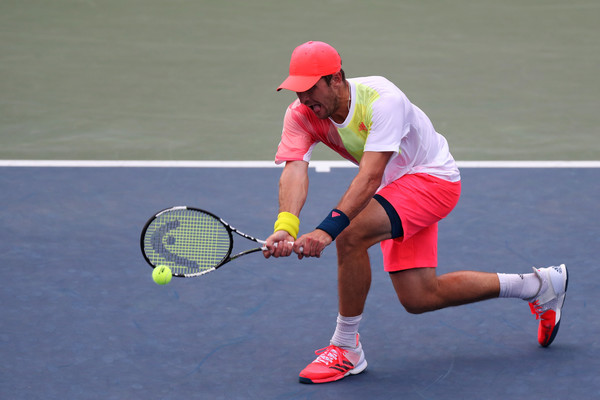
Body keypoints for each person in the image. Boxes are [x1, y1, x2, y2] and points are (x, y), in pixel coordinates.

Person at [262, 41, 568, 384]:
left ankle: (346, 348)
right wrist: (286, 226)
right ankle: (540, 285)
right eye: (297, 90)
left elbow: (370, 175)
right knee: (420, 297)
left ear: (335, 78)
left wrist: (325, 230)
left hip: (433, 180)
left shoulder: (382, 100)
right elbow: (294, 169)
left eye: (310, 89)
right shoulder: (301, 114)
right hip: (394, 190)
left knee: (350, 234)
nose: (304, 99)